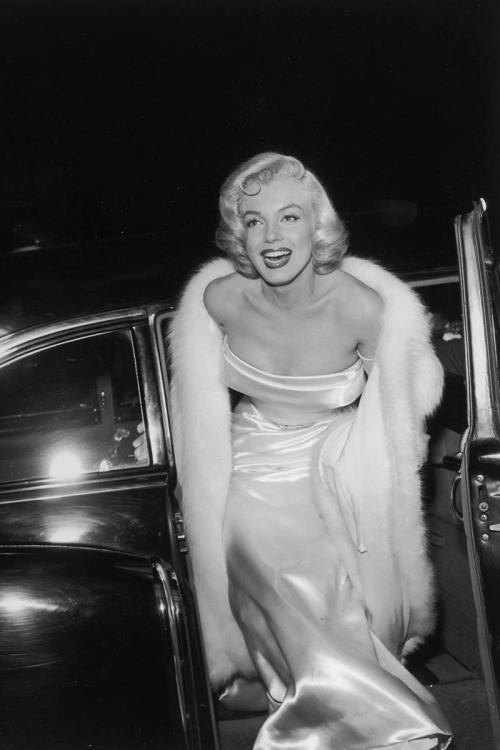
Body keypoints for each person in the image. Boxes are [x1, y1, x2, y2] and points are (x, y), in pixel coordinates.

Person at [139, 153, 452, 749]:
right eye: (254, 221)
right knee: (260, 569)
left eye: (289, 217)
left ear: (318, 226)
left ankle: (356, 727)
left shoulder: (360, 307)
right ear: (238, 234)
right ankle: (306, 713)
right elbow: (193, 397)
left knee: (336, 601)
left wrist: (381, 467)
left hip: (335, 457)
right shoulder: (219, 300)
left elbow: (397, 399)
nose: (272, 237)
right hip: (249, 459)